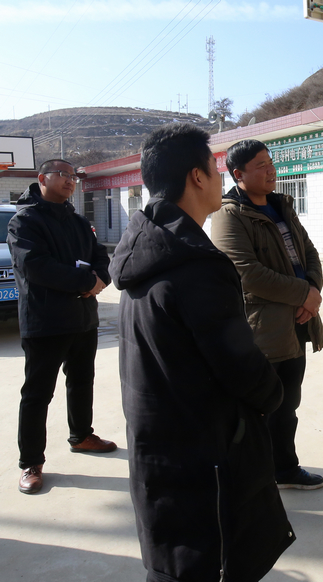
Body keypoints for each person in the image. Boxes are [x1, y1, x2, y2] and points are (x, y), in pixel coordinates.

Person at [110, 123, 294, 581]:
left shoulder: (146, 247)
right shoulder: (196, 266)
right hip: (200, 455)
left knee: (171, 561)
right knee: (202, 562)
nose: (220, 180)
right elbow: (239, 363)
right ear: (196, 177)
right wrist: (274, 396)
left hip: (158, 445)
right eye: (215, 169)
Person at [211, 139, 323, 490]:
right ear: (238, 174)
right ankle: (252, 476)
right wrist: (304, 293)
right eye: (260, 165)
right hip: (263, 329)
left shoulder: (282, 206)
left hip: (297, 323)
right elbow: (246, 272)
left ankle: (285, 469)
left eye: (270, 162)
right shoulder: (228, 215)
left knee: (288, 403)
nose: (270, 169)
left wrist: (313, 292)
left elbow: (308, 251)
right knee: (259, 408)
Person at [8, 158, 115, 495]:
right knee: (38, 393)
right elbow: (36, 266)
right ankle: (31, 463)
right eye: (64, 176)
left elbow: (101, 256)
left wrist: (99, 279)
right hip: (46, 320)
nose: (71, 181)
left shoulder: (78, 221)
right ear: (42, 178)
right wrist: (85, 281)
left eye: (73, 177)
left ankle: (81, 435)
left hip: (83, 317)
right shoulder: (25, 221)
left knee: (82, 380)